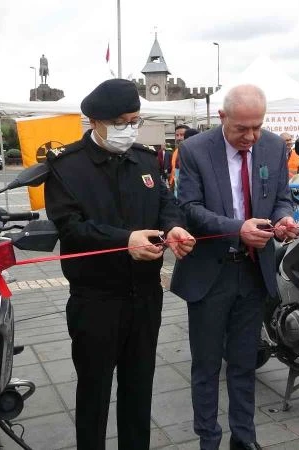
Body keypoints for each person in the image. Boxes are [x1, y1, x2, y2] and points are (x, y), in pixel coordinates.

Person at [44, 78, 196, 450]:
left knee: (139, 389)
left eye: (135, 121)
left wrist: (173, 227)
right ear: (95, 121)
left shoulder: (144, 160)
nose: (129, 129)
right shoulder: (67, 167)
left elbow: (166, 203)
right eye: (122, 122)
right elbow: (72, 228)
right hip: (96, 300)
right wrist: (124, 241)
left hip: (145, 297)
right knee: (93, 393)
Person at [171, 84, 299, 450]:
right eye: (242, 128)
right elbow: (190, 209)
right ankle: (208, 441)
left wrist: (285, 219)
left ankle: (244, 440)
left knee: (245, 364)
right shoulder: (195, 150)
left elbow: (281, 198)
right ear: (222, 117)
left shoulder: (273, 147)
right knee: (207, 367)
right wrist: (237, 229)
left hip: (253, 272)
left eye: (257, 126)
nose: (251, 136)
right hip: (210, 274)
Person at [168, 124, 191, 192]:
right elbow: (174, 171)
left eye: (182, 135)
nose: (179, 138)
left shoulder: (194, 152)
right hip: (176, 188)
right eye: (177, 135)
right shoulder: (175, 152)